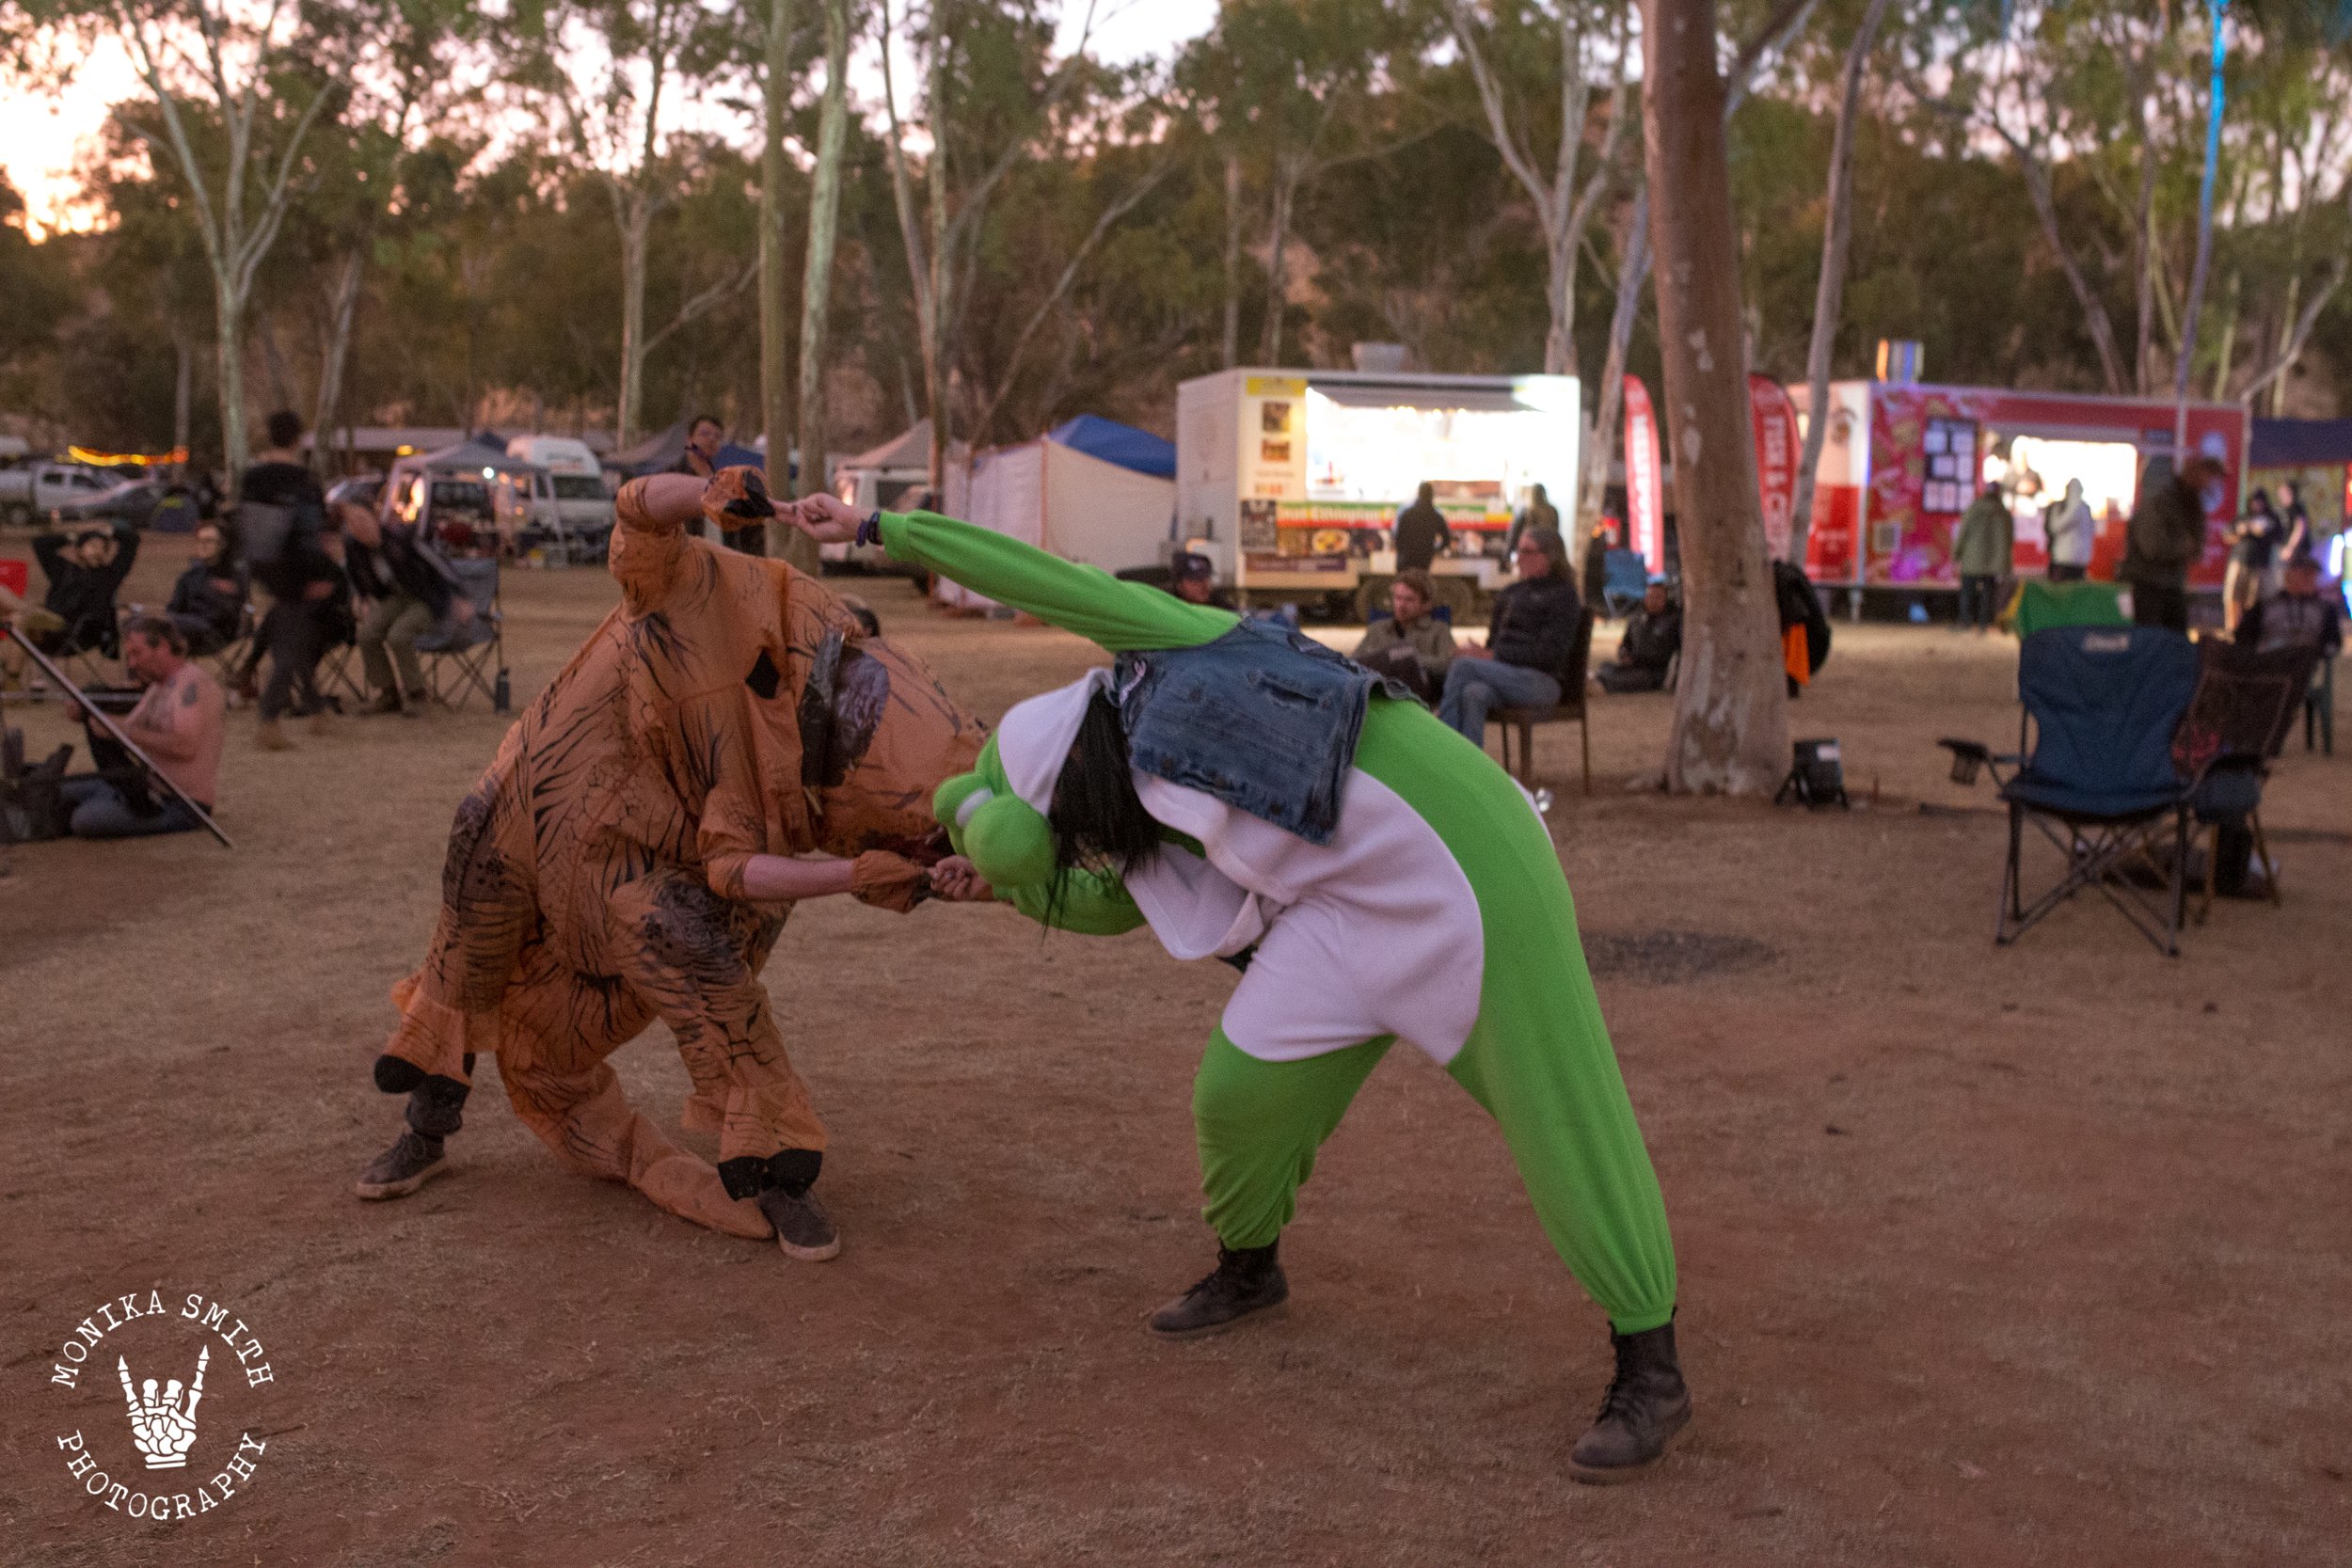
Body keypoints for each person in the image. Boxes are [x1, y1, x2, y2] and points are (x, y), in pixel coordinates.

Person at [792, 496, 1690, 1485]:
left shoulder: (1175, 650)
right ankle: (1249, 1265)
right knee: (1240, 1085)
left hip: (1461, 866)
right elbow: (1115, 903)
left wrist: (882, 530)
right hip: (1340, 910)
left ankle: (1650, 1362)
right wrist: (999, 888)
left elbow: (1049, 582)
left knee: (1558, 1110)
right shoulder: (1135, 804)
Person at [354, 467, 986, 1263]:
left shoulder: (826, 696)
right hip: (561, 790)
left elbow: (746, 872)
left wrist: (910, 871)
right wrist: (706, 490)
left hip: (672, 848)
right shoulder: (715, 594)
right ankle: (430, 1115)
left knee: (693, 953)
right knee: (476, 889)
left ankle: (773, 1169)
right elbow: (639, 512)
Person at [57, 615, 224, 838]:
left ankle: (98, 805)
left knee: (86, 819)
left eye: (137, 653)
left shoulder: (191, 684)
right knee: (59, 789)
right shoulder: (158, 686)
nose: (133, 663)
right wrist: (90, 713)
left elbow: (185, 746)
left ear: (163, 647)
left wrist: (122, 730)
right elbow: (129, 726)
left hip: (181, 804)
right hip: (146, 790)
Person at [240, 410, 349, 750]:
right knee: (289, 645)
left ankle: (317, 710)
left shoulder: (251, 478)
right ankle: (269, 720)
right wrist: (322, 572)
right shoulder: (303, 481)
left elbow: (241, 522)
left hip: (262, 565)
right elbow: (309, 532)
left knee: (290, 630)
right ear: (297, 438)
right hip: (296, 569)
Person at [1436, 528, 1580, 746]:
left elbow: (1550, 654)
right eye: (1518, 551)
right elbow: (1494, 644)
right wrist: (1480, 651)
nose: (1519, 558)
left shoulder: (1563, 596)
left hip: (1541, 681)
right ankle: (1470, 770)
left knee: (1463, 667)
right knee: (1474, 692)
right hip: (1506, 676)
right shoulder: (1511, 593)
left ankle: (1441, 748)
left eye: (1527, 552)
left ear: (1549, 556)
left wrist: (1490, 655)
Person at [344, 502, 469, 716]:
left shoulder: (401, 539)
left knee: (399, 635)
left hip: (427, 598)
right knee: (366, 634)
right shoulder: (354, 548)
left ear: (375, 518)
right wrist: (362, 598)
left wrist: (459, 596)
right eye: (351, 522)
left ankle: (417, 694)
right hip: (395, 598)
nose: (358, 526)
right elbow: (357, 578)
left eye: (362, 519)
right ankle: (388, 693)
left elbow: (439, 563)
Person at [2122, 456, 2221, 633]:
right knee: (2152, 643)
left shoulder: (2191, 504)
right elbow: (2151, 547)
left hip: (2172, 586)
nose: (2210, 484)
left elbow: (2195, 546)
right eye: (2209, 477)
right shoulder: (2161, 501)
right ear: (2194, 474)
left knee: (2174, 644)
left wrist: (2192, 546)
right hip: (2149, 587)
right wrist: (2184, 547)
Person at [30, 518, 139, 657]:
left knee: (22, 621)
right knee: (17, 622)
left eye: (103, 548)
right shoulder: (63, 570)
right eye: (93, 546)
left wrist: (108, 531)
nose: (98, 552)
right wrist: (72, 536)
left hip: (80, 633)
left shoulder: (109, 575)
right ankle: (12, 676)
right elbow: (39, 544)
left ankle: (12, 675)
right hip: (48, 631)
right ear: (79, 550)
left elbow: (132, 541)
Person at [1349, 569, 1454, 702]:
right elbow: (1354, 662)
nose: (1401, 605)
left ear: (1426, 605)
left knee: (1404, 654)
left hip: (1418, 694)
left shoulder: (1438, 629)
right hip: (1380, 692)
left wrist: (1412, 658)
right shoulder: (1378, 629)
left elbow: (1447, 664)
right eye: (1398, 598)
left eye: (1409, 600)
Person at [165, 522, 248, 657]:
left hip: (215, 634)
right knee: (138, 626)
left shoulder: (233, 576)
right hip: (186, 630)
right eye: (200, 541)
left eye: (209, 541)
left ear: (222, 545)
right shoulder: (189, 576)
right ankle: (139, 677)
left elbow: (229, 614)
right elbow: (173, 608)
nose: (203, 545)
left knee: (164, 623)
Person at [2238, 554, 2343, 658]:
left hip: (2308, 667)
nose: (2309, 579)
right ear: (2288, 575)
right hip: (2269, 665)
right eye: (2304, 574)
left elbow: (2333, 643)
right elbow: (2244, 639)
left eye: (2313, 574)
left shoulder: (2325, 609)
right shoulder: (2265, 607)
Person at [1595, 578, 1680, 694]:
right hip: (1632, 667)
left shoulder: (1673, 620)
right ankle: (1600, 681)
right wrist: (1624, 654)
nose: (1653, 601)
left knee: (1638, 679)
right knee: (1606, 666)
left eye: (1658, 598)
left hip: (1653, 672)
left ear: (1665, 599)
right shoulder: (1637, 618)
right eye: (1650, 597)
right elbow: (1625, 643)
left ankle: (1601, 684)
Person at [1952, 483, 2012, 633]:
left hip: (1972, 558)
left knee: (1967, 591)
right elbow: (2010, 538)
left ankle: (1965, 621)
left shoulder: (1974, 508)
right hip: (1993, 561)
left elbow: (1963, 532)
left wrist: (1956, 553)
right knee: (1988, 593)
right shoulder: (2003, 512)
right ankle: (1983, 623)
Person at [2222, 488, 2280, 636]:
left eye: (2260, 501)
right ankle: (2232, 629)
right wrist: (2240, 531)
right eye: (2254, 501)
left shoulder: (2271, 518)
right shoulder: (2243, 517)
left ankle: (2250, 632)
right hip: (2238, 562)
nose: (2257, 505)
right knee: (2233, 598)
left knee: (2253, 601)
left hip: (2258, 565)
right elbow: (2227, 535)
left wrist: (2256, 529)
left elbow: (2275, 535)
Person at [2043, 478, 2094, 583]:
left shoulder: (2074, 508)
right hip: (2080, 559)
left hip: (2065, 558)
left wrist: (2055, 513)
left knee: (2060, 592)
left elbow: (2055, 527)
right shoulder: (2085, 508)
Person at [1392, 482, 1451, 572]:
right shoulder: (1436, 516)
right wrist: (1434, 550)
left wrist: (1402, 550)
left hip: (1405, 561)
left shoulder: (1406, 513)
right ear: (1432, 495)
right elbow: (1446, 539)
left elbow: (1397, 536)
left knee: (1405, 584)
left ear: (1419, 493)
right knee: (1420, 584)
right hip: (1424, 562)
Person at [1508, 483, 1561, 556]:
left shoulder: (1528, 512)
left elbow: (1515, 534)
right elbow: (1556, 531)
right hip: (1550, 550)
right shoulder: (1553, 511)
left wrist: (1508, 553)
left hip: (1533, 551)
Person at [1581, 520, 1615, 616]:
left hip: (1598, 568)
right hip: (1595, 568)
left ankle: (1598, 611)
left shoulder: (1603, 532)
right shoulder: (1597, 534)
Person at [2279, 480, 2313, 567]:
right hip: (2289, 551)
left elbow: (2300, 527)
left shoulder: (2296, 508)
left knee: (2295, 577)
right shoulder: (2285, 509)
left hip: (2297, 553)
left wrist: (2290, 548)